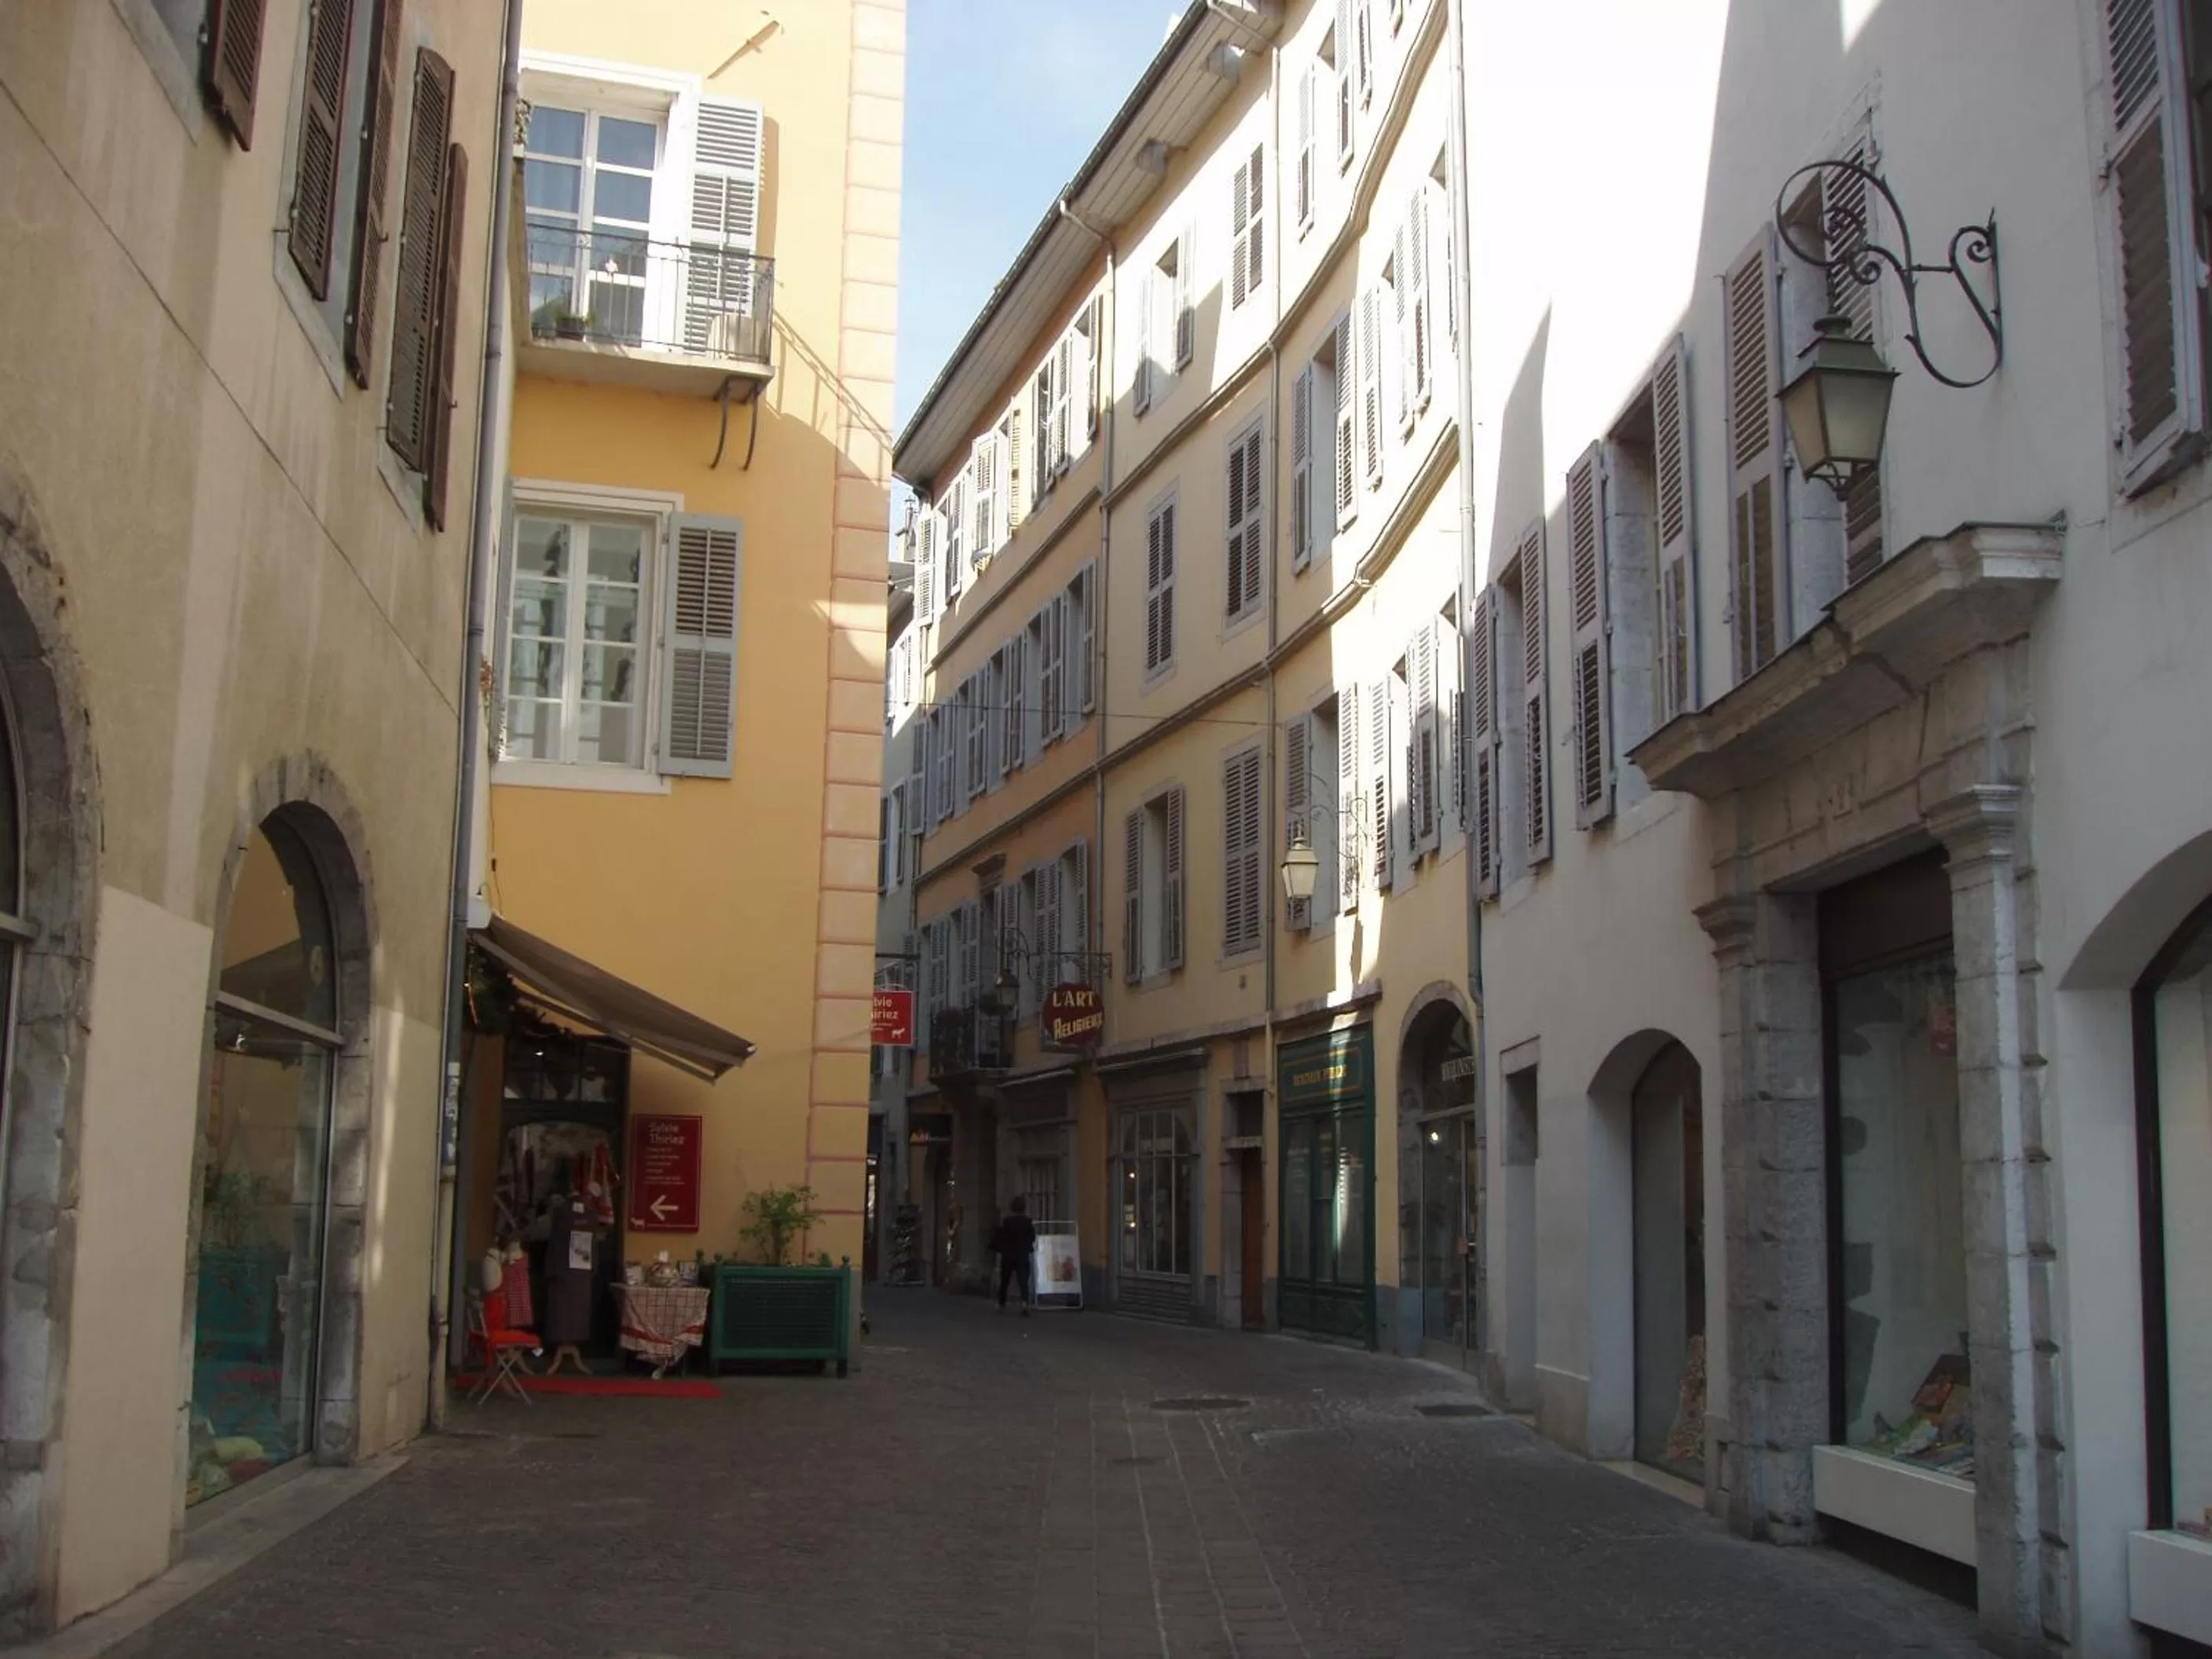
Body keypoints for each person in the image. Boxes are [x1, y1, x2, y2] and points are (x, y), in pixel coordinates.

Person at [993, 1196, 1038, 1317]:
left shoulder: (1007, 1222)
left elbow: (1001, 1236)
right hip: (1022, 1255)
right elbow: (1032, 1237)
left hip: (1008, 1255)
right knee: (1023, 1281)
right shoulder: (1027, 1222)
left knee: (1005, 1281)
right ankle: (1024, 1303)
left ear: (1012, 1208)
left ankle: (1001, 1303)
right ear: (1024, 1208)